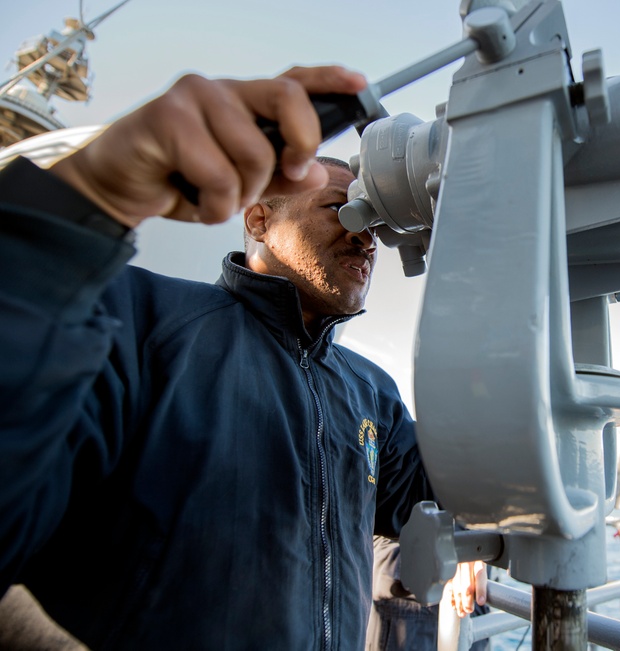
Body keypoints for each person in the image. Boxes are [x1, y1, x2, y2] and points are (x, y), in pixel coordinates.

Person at [0, 65, 483, 650]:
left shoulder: (370, 391)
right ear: (258, 217)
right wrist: (86, 200)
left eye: (374, 225)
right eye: (341, 209)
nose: (365, 237)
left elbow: (456, 491)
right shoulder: (142, 320)